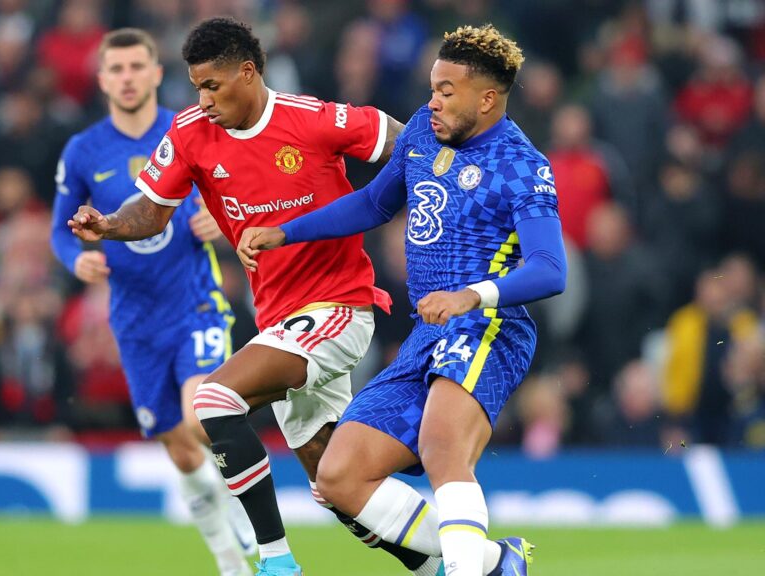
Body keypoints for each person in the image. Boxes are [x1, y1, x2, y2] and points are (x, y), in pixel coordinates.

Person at [69, 17, 448, 576]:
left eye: (212, 85)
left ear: (247, 72)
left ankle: (275, 561)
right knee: (335, 482)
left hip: (338, 306)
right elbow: (151, 211)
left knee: (214, 401)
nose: (203, 98)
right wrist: (107, 224)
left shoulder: (311, 118)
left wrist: (411, 207)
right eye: (196, 86)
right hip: (279, 321)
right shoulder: (191, 133)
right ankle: (465, 562)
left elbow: (405, 142)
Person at [238, 24, 568, 576]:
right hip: (428, 333)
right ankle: (492, 561)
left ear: (487, 99)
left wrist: (471, 295)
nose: (431, 101)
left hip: (489, 326)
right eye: (432, 87)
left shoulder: (521, 165)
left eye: (446, 91)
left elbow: (550, 269)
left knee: (443, 446)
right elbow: (372, 203)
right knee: (338, 475)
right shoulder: (420, 132)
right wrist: (287, 231)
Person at [49, 28, 254, 576]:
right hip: (135, 319)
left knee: (199, 417)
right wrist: (77, 260)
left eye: (137, 66)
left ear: (157, 73)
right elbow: (59, 232)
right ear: (101, 80)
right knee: (180, 449)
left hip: (196, 299)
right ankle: (229, 561)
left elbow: (242, 189)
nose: (128, 77)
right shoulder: (84, 151)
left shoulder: (190, 128)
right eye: (116, 69)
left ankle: (249, 524)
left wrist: (224, 216)